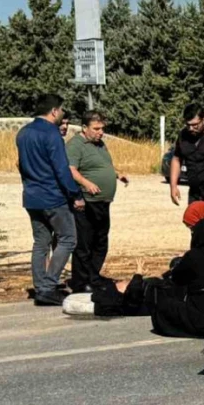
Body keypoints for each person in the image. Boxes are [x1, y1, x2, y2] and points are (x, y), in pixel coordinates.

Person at [101, 202, 204, 337]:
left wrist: (141, 275)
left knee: (164, 306)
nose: (191, 232)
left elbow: (178, 279)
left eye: (193, 229)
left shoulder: (196, 255)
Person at [17, 94, 82, 306]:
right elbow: (61, 169)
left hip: (32, 196)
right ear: (54, 111)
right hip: (53, 196)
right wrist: (75, 194)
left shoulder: (23, 133)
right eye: (62, 110)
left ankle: (40, 286)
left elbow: (22, 165)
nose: (63, 114)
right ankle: (48, 286)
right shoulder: (52, 134)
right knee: (68, 238)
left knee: (40, 242)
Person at [66, 110, 128, 294]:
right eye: (96, 128)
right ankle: (81, 280)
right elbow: (71, 169)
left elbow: (103, 165)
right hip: (87, 201)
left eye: (102, 128)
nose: (101, 132)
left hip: (103, 201)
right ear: (85, 128)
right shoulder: (76, 145)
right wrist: (86, 183)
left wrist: (117, 174)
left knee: (101, 241)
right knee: (85, 243)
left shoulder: (100, 144)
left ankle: (94, 276)